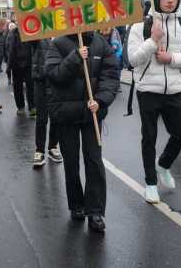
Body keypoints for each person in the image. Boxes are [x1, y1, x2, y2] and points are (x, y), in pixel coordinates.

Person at [126, 0, 181, 204]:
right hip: (148, 89)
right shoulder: (140, 26)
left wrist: (172, 58)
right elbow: (132, 59)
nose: (170, 0)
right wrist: (153, 40)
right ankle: (150, 183)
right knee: (149, 137)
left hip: (176, 90)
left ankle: (164, 165)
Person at [45, 32, 120, 231]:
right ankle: (76, 205)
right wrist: (75, 57)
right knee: (71, 161)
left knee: (94, 160)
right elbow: (54, 75)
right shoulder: (58, 43)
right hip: (66, 112)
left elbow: (111, 75)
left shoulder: (100, 43)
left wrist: (102, 100)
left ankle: (95, 211)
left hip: (91, 112)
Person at [31, 39, 62, 167]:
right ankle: (39, 150)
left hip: (58, 81)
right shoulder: (39, 38)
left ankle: (53, 146)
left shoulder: (63, 37)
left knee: (56, 117)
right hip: (41, 81)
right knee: (42, 118)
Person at [6, 23, 35, 116]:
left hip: (27, 63)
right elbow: (10, 50)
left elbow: (9, 50)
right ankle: (26, 107)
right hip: (18, 64)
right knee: (22, 87)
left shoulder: (28, 32)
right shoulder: (13, 34)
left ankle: (26, 107)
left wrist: (8, 66)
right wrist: (9, 65)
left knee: (26, 87)